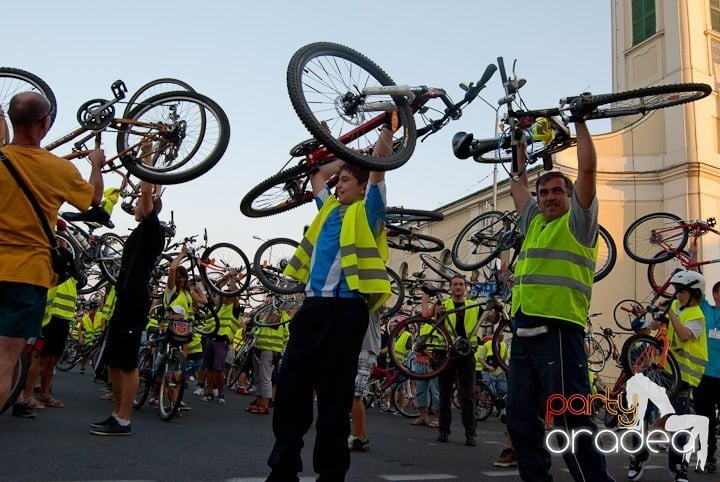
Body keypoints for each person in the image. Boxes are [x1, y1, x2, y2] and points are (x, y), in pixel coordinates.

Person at [264, 118, 396, 482]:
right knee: (291, 392)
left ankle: (331, 474)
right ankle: (283, 470)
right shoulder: (326, 209)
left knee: (335, 399)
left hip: (346, 310)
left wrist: (387, 130)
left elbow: (378, 169)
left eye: (346, 181)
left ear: (360, 186)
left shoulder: (368, 211)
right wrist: (327, 138)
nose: (338, 185)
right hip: (312, 309)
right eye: (338, 182)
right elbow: (318, 174)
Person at [505, 119, 615, 481]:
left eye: (557, 191)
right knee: (520, 419)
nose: (549, 197)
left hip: (559, 335)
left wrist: (580, 122)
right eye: (544, 192)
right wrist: (519, 143)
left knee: (571, 420)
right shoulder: (534, 223)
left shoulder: (579, 224)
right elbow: (517, 184)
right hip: (523, 334)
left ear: (570, 197)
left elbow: (587, 169)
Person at [0, 91, 103, 413]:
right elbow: (93, 200)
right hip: (26, 273)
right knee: (4, 360)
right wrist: (96, 165)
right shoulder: (58, 169)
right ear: (45, 123)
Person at [89, 141, 165, 436]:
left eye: (138, 204)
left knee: (128, 362)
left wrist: (146, 159)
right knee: (114, 362)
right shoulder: (139, 231)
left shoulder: (151, 228)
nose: (133, 205)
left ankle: (124, 419)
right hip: (124, 301)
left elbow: (147, 191)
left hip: (135, 301)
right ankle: (115, 414)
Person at [626, 270, 708, 482]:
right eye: (677, 290)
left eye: (683, 291)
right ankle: (638, 456)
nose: (678, 295)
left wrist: (670, 315)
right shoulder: (673, 307)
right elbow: (658, 333)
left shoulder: (696, 315)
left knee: (677, 424)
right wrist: (653, 322)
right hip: (660, 374)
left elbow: (684, 335)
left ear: (694, 293)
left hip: (682, 380)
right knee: (640, 416)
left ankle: (678, 467)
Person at [16, 272, 78, 416]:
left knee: (53, 360)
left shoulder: (73, 265)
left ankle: (45, 394)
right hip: (50, 317)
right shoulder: (59, 258)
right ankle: (28, 396)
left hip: (64, 317)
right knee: (41, 358)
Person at [434, 276, 482, 446]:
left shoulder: (473, 306)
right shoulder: (443, 305)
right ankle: (443, 431)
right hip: (447, 353)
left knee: (467, 395)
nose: (458, 287)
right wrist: (437, 314)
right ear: (450, 288)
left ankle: (471, 433)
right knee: (445, 394)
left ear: (466, 288)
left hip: (467, 354)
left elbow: (492, 320)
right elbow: (434, 325)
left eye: (461, 284)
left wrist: (497, 310)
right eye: (455, 284)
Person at [694, 279, 720, 474]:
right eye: (718, 292)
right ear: (714, 295)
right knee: (705, 419)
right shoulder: (706, 310)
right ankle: (707, 457)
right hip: (704, 376)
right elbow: (697, 288)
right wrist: (693, 260)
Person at [348, 311, 382, 451]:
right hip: (355, 348)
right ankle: (359, 435)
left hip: (366, 349)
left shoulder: (370, 299)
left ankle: (360, 437)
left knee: (356, 394)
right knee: (351, 393)